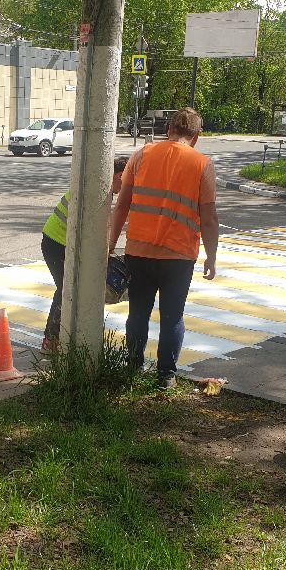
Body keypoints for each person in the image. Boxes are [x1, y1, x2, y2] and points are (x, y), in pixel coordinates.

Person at [109, 108, 219, 389]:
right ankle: (165, 376)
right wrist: (211, 256)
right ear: (196, 137)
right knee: (172, 318)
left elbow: (122, 205)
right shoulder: (202, 164)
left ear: (169, 130)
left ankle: (133, 368)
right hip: (178, 256)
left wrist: (109, 244)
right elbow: (208, 218)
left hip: (139, 251)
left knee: (138, 313)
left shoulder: (142, 155)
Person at [41, 155, 130, 352]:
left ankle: (59, 338)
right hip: (57, 243)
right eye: (128, 180)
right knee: (66, 290)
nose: (128, 186)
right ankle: (51, 340)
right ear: (119, 175)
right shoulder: (99, 191)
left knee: (68, 290)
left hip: (59, 241)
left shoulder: (98, 187)